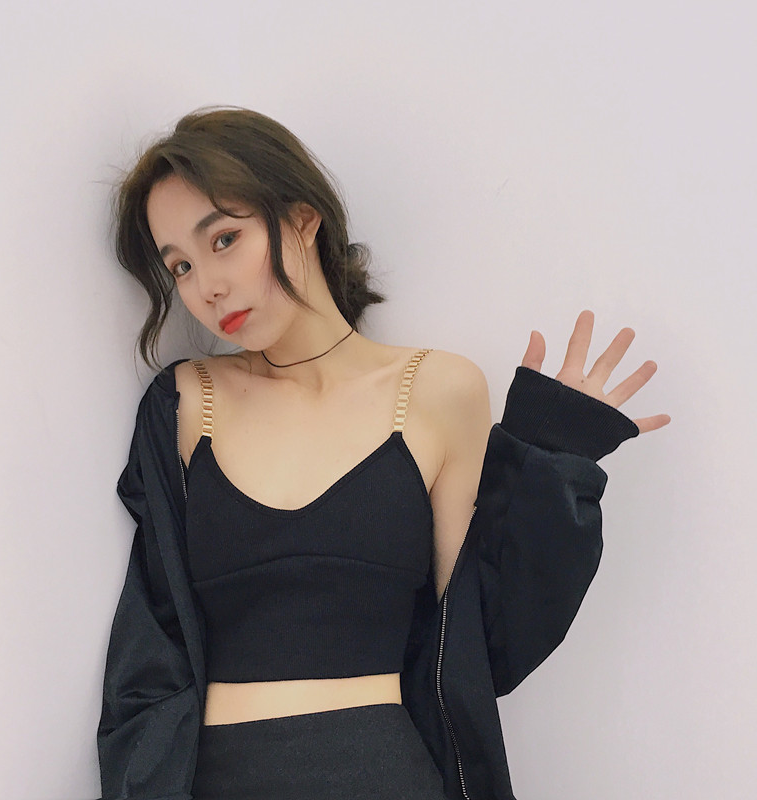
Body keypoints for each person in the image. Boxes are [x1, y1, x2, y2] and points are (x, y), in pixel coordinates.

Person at [96, 107, 670, 800]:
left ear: (303, 219)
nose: (206, 287)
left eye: (224, 239)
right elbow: (149, 655)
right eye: (181, 266)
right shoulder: (183, 403)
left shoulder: (439, 390)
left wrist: (552, 457)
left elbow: (477, 643)